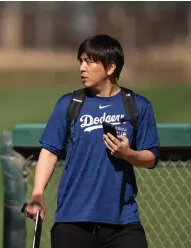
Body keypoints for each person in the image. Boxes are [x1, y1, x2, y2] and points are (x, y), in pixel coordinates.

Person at [24, 35, 160, 248]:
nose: (82, 68)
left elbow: (151, 157)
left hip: (122, 222)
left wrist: (128, 154)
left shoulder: (138, 106)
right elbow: (50, 151)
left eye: (89, 61)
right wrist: (37, 193)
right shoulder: (69, 104)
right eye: (80, 61)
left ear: (110, 67)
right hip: (72, 221)